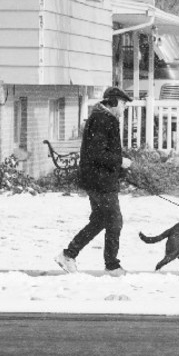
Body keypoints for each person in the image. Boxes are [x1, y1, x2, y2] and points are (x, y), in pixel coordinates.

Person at [55, 86, 133, 276]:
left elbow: (102, 151)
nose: (124, 108)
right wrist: (120, 161)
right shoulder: (103, 120)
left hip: (97, 179)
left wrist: (119, 167)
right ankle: (112, 265)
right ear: (113, 102)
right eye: (123, 104)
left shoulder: (102, 118)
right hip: (100, 181)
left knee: (99, 220)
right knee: (114, 221)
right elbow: (97, 153)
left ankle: (68, 254)